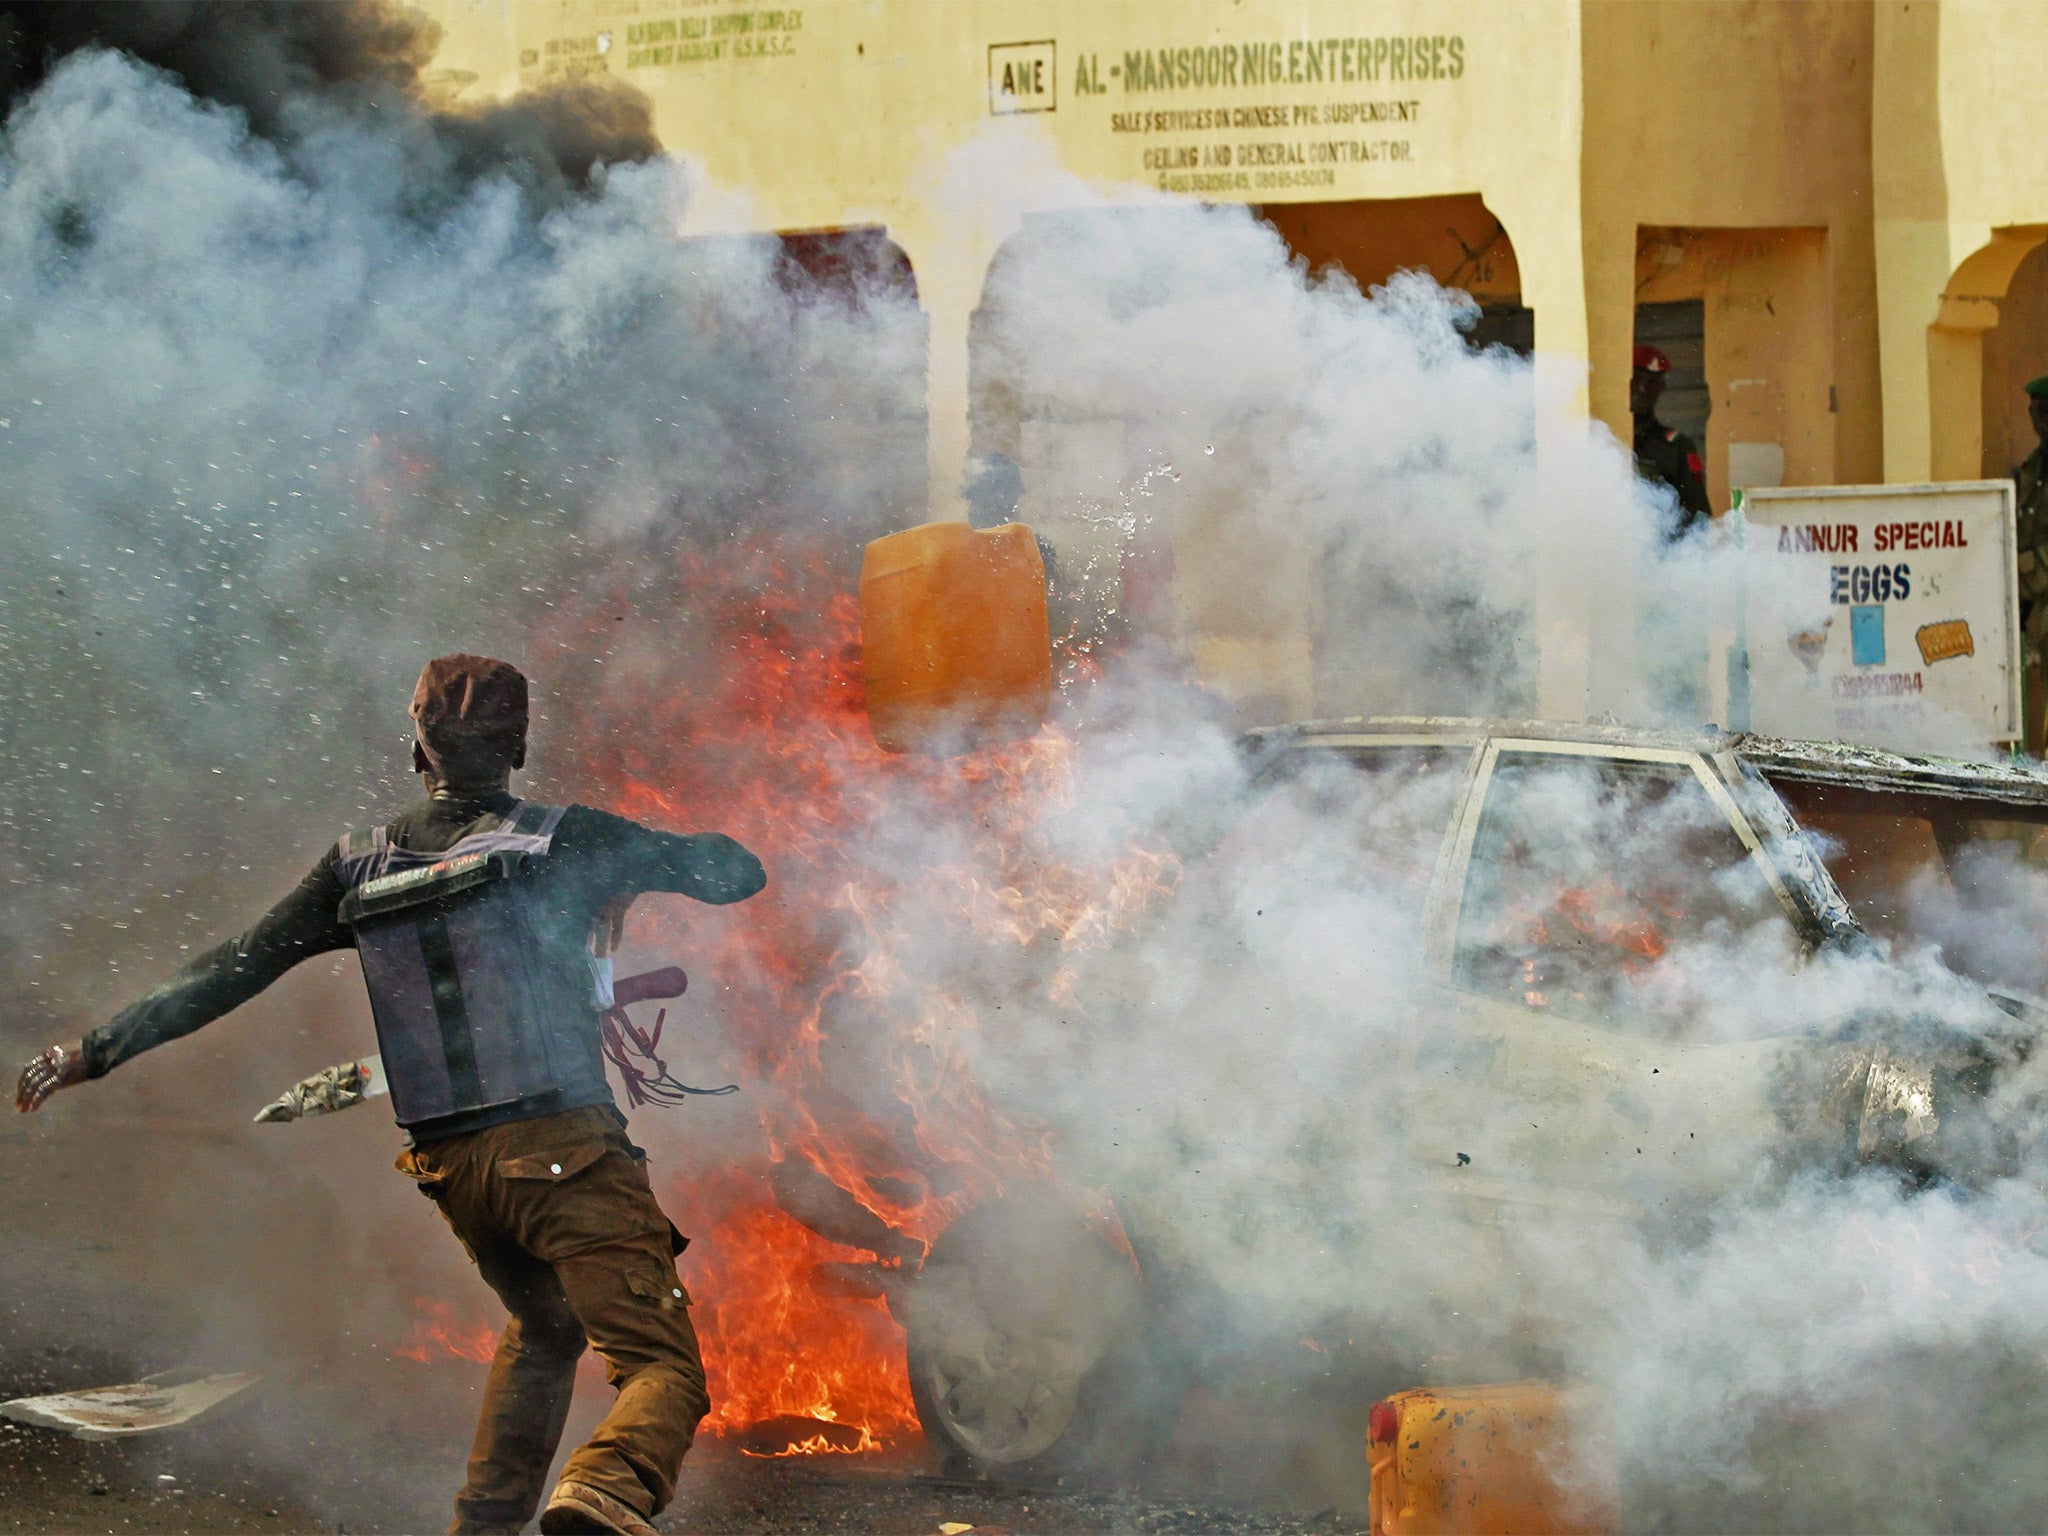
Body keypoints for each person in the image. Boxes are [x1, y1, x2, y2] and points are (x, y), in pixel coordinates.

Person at [14, 654, 766, 1536]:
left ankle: (483, 1526)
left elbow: (229, 969)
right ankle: (605, 1490)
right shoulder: (562, 842)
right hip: (562, 1150)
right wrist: (636, 861)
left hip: (457, 1172)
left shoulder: (354, 868)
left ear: (419, 749)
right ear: (519, 743)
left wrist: (91, 1051)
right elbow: (736, 873)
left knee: (547, 1326)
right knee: (662, 1369)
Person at [1631, 343, 1712, 540]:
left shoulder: (1676, 447)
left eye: (1650, 382)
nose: (1642, 389)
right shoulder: (1602, 438)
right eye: (1636, 380)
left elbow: (1698, 515)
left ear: (1661, 388)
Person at [2014, 377, 2048, 752]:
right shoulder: (2033, 466)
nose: (2044, 420)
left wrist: (2025, 570)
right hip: (2032, 600)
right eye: (2037, 411)